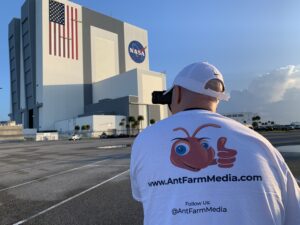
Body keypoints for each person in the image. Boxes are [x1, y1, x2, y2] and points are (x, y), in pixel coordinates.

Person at [130, 62, 300, 225]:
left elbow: (142, 195)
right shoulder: (261, 143)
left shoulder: (145, 139)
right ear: (217, 99)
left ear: (178, 93)